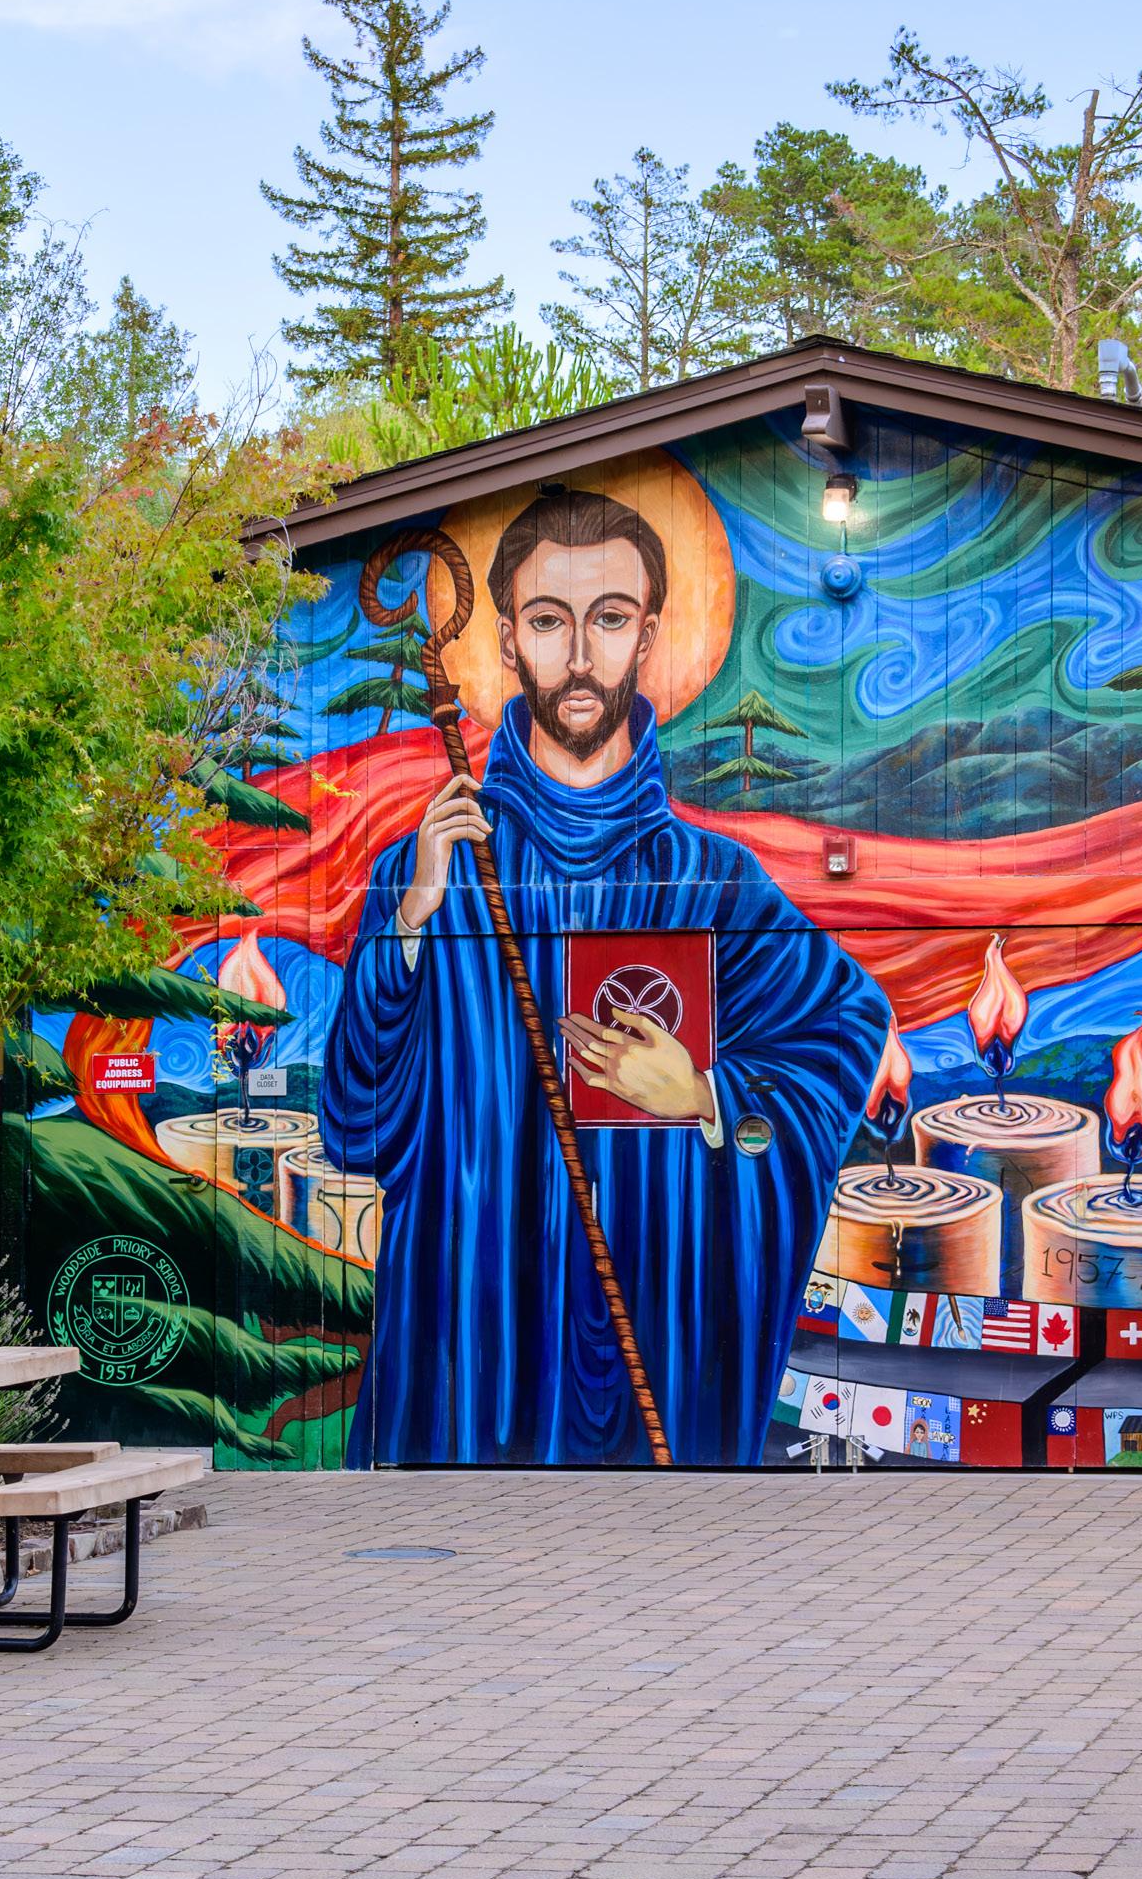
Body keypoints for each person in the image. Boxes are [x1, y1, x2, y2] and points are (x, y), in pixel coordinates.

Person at [322, 488, 890, 1467]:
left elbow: (841, 1025)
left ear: (649, 635)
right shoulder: (433, 870)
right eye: (549, 621)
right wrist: (408, 925)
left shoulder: (714, 880)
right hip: (473, 1337)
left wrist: (704, 1095)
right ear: (508, 640)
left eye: (610, 618)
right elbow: (354, 1122)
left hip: (653, 1318)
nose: (580, 655)